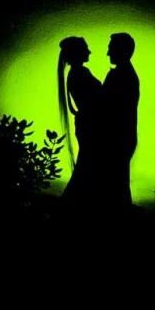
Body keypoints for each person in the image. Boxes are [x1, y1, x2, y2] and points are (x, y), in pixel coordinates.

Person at [58, 36, 103, 205]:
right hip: (91, 125)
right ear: (77, 53)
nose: (89, 52)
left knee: (86, 166)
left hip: (86, 124)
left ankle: (73, 204)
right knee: (87, 167)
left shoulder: (75, 73)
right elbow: (96, 100)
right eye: (85, 49)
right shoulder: (81, 73)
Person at [101, 33, 140, 207]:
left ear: (121, 50)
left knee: (116, 181)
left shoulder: (121, 76)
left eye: (111, 49)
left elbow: (110, 108)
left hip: (117, 137)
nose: (108, 53)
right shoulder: (126, 74)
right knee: (118, 181)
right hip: (123, 137)